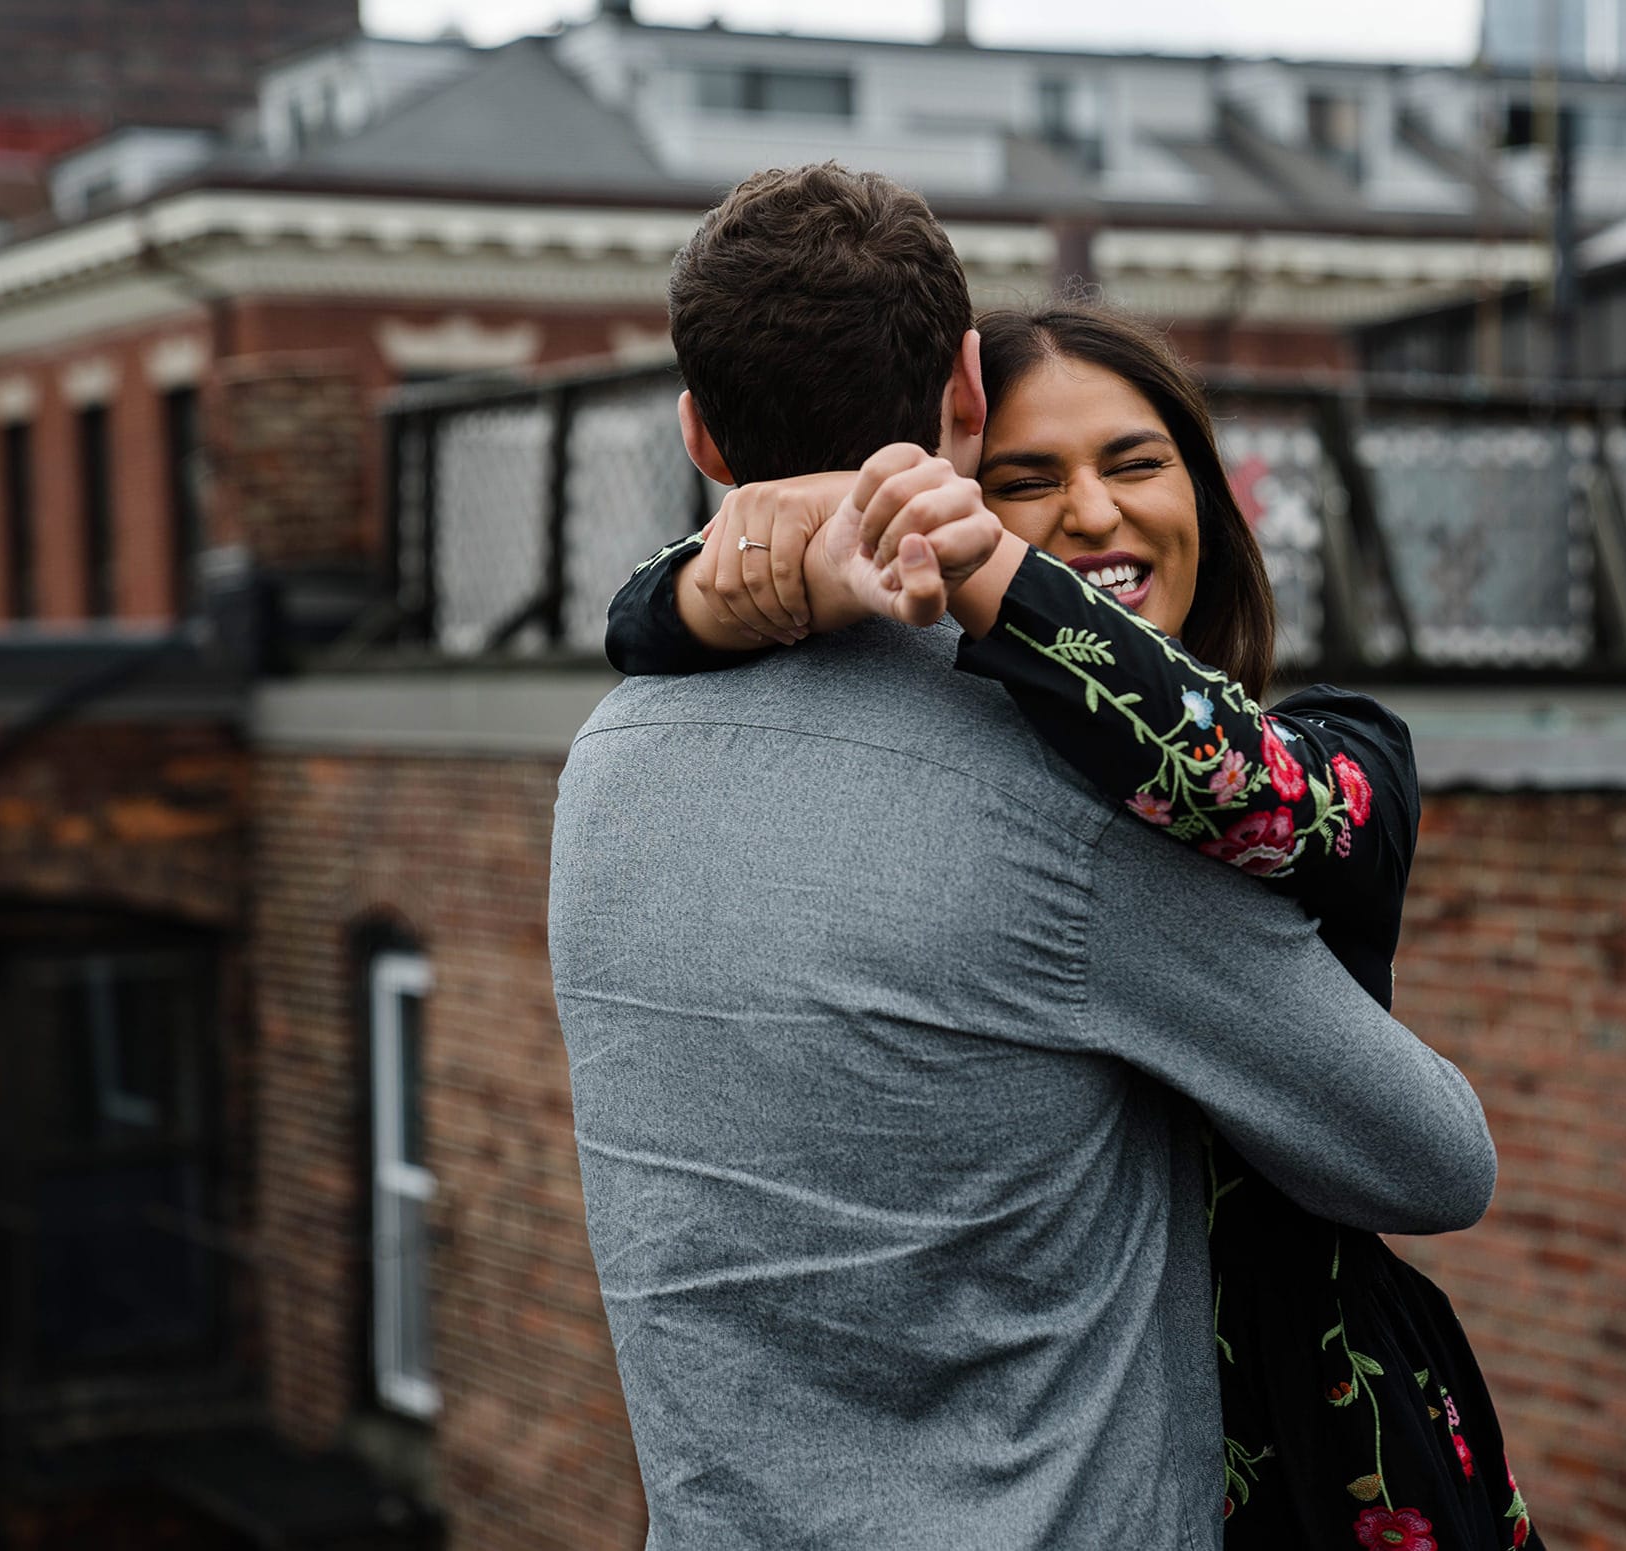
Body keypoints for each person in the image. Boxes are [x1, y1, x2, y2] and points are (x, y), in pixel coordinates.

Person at [547, 161, 1497, 1551]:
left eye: (1133, 463)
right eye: (1031, 481)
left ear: (696, 430)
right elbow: (1433, 1162)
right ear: (965, 400)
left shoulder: (603, 765)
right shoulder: (1065, 812)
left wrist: (722, 579)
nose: (1091, 516)